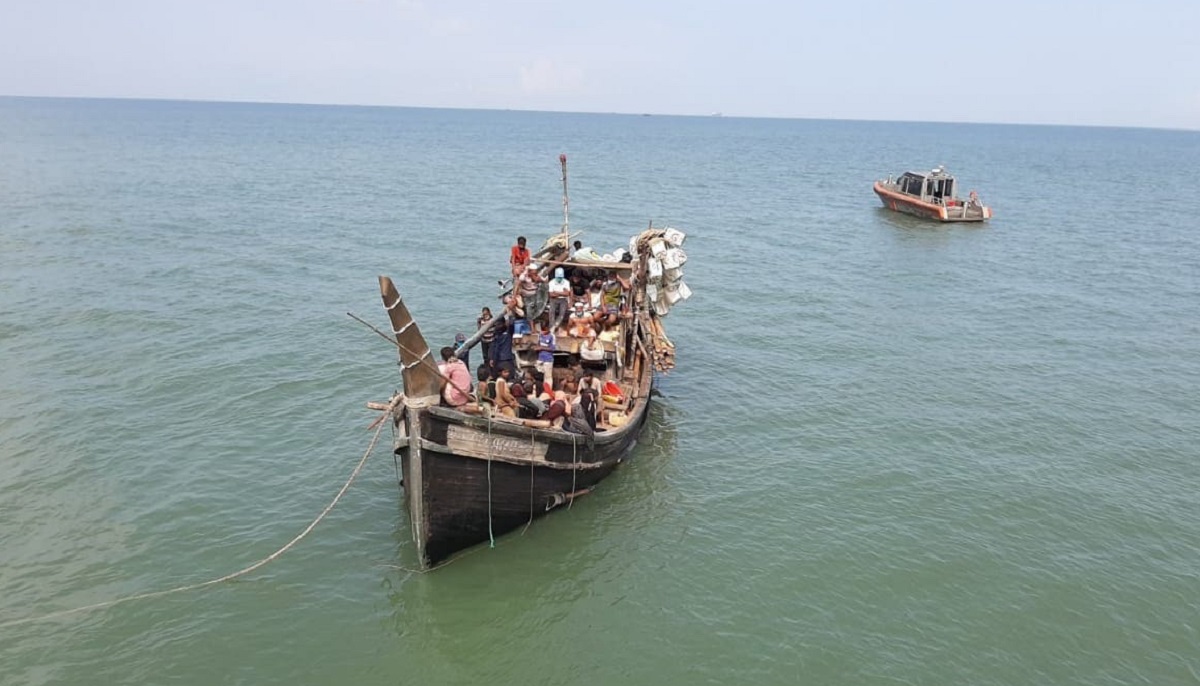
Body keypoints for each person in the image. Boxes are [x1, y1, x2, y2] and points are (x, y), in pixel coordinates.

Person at [534, 320, 555, 390]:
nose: (543, 331)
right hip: (540, 359)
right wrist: (536, 348)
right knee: (539, 376)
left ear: (548, 328)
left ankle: (548, 391)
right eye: (542, 329)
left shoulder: (552, 336)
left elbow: (552, 349)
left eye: (544, 330)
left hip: (548, 359)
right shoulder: (540, 335)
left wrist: (541, 348)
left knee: (548, 377)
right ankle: (540, 390)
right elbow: (538, 344)